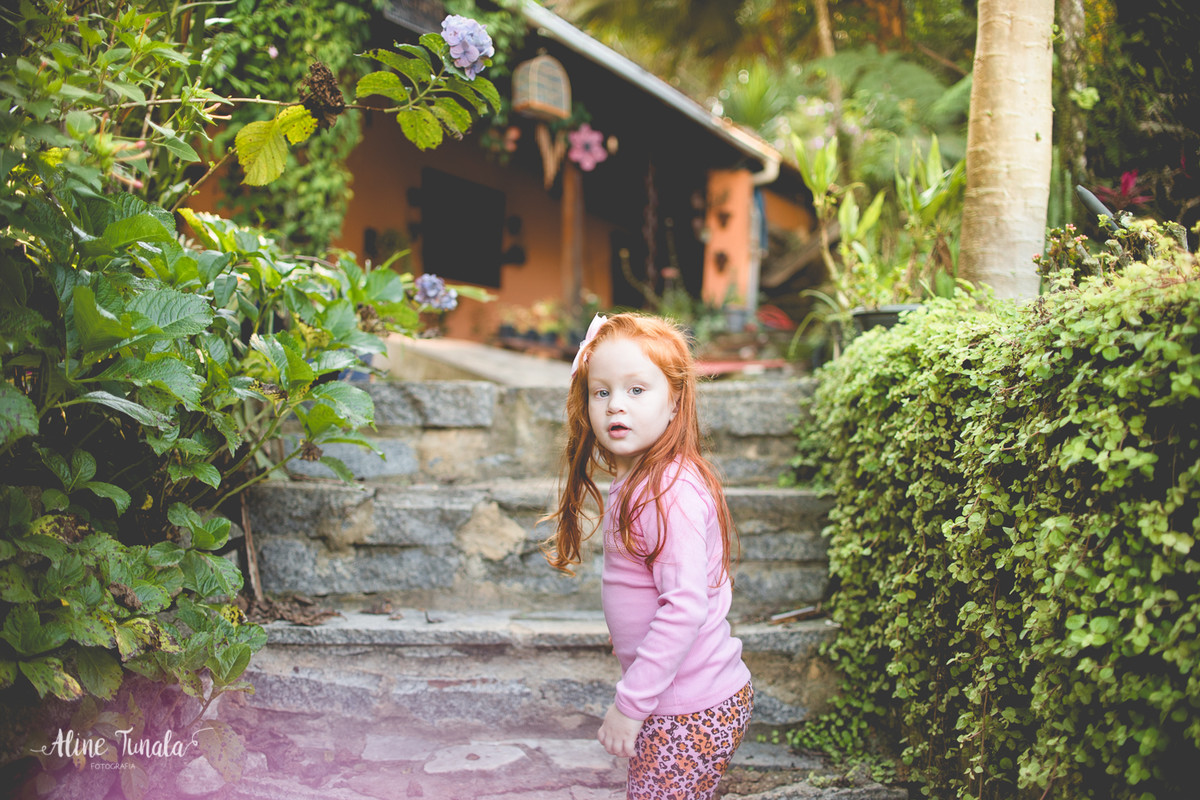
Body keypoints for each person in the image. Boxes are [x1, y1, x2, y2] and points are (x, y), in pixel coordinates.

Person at [544, 312, 753, 799]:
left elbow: (683, 607)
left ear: (675, 398)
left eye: (637, 390)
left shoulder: (668, 491)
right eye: (602, 391)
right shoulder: (639, 481)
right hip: (680, 701)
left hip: (688, 708)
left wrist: (630, 705)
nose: (616, 405)